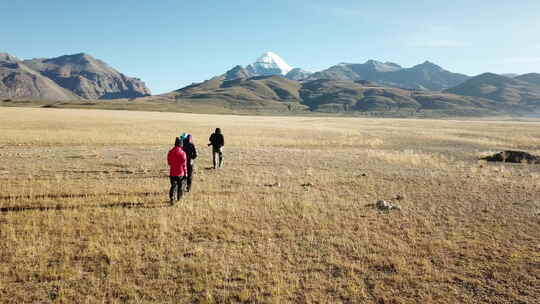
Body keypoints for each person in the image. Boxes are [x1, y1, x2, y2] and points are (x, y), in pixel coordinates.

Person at [167, 137, 187, 205]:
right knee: (180, 187)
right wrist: (186, 173)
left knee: (173, 186)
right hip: (180, 173)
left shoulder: (170, 152)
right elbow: (184, 165)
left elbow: (169, 163)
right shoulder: (183, 153)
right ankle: (179, 198)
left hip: (172, 172)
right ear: (181, 144)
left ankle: (172, 198)